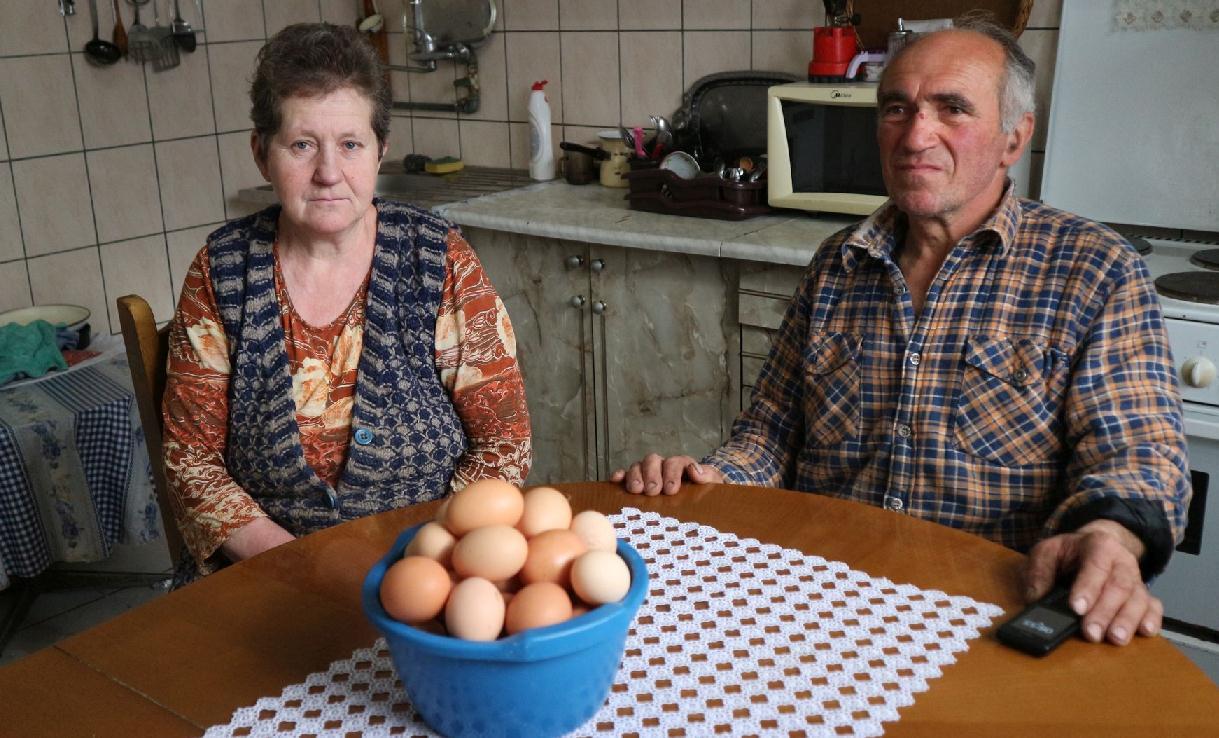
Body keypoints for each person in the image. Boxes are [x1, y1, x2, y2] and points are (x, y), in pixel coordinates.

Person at [612, 18, 1190, 648]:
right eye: (897, 108)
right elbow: (771, 434)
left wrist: (1107, 535)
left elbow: (1137, 461)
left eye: (953, 108)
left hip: (985, 615)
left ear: (1013, 138)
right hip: (817, 596)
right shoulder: (838, 263)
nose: (916, 134)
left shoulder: (1093, 270)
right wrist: (711, 477)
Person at [162, 23, 531, 583]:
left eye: (350, 145)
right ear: (262, 154)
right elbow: (191, 463)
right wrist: (299, 564)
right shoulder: (223, 271)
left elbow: (505, 443)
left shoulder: (438, 259)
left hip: (430, 572)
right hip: (267, 577)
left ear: (381, 151)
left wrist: (428, 565)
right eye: (302, 145)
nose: (329, 173)